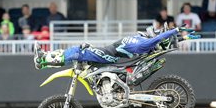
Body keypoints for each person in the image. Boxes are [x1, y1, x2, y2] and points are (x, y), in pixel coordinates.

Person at [34, 26, 197, 69]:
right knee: (77, 50)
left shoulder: (143, 44)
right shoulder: (142, 41)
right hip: (108, 51)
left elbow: (160, 39)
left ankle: (44, 59)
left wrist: (175, 31)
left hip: (109, 54)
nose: (151, 32)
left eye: (153, 33)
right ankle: (45, 61)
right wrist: (184, 37)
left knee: (78, 52)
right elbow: (163, 40)